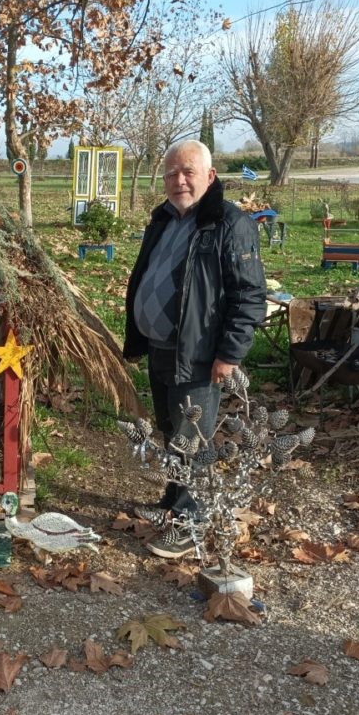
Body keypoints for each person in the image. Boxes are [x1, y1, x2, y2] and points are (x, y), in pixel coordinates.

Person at [123, 139, 267, 558]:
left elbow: (248, 295)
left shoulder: (229, 223)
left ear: (210, 176)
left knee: (193, 438)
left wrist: (230, 354)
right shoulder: (164, 219)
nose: (178, 180)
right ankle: (174, 501)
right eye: (170, 173)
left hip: (200, 354)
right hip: (162, 347)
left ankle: (192, 522)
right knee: (172, 431)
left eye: (187, 171)